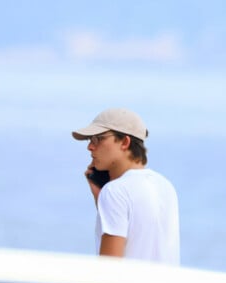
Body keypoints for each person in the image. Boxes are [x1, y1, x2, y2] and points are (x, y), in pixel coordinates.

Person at [72, 108, 180, 265]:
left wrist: (106, 196)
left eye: (98, 139)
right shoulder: (165, 186)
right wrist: (100, 200)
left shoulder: (115, 191)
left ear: (125, 142)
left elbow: (110, 268)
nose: (90, 147)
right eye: (90, 140)